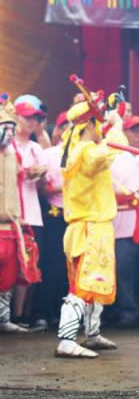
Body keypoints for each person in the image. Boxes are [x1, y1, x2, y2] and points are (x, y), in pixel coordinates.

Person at [54, 94, 125, 357]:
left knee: (94, 283)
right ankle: (66, 338)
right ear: (90, 126)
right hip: (90, 229)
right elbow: (106, 155)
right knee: (82, 286)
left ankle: (92, 333)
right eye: (99, 123)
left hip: (92, 227)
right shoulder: (85, 151)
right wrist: (116, 126)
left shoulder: (77, 151)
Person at [0, 95, 41, 333]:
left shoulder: (12, 155)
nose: (7, 134)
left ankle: (4, 318)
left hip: (11, 223)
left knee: (8, 274)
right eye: (4, 128)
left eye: (10, 129)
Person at [111, 116, 139, 327]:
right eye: (134, 130)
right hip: (122, 222)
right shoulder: (115, 158)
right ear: (126, 133)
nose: (138, 134)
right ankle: (127, 312)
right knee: (124, 271)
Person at [11, 96, 46, 329]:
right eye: (27, 117)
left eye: (35, 118)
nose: (31, 122)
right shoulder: (6, 145)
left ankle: (21, 315)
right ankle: (8, 315)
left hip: (33, 212)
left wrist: (39, 174)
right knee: (9, 264)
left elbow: (45, 185)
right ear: (15, 117)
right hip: (11, 213)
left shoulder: (36, 148)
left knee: (30, 265)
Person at [39, 110, 71, 326]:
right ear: (58, 130)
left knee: (72, 265)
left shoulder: (84, 152)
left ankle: (68, 315)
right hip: (54, 214)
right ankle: (47, 312)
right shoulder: (48, 154)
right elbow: (41, 187)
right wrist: (64, 186)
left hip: (77, 214)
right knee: (52, 264)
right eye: (65, 126)